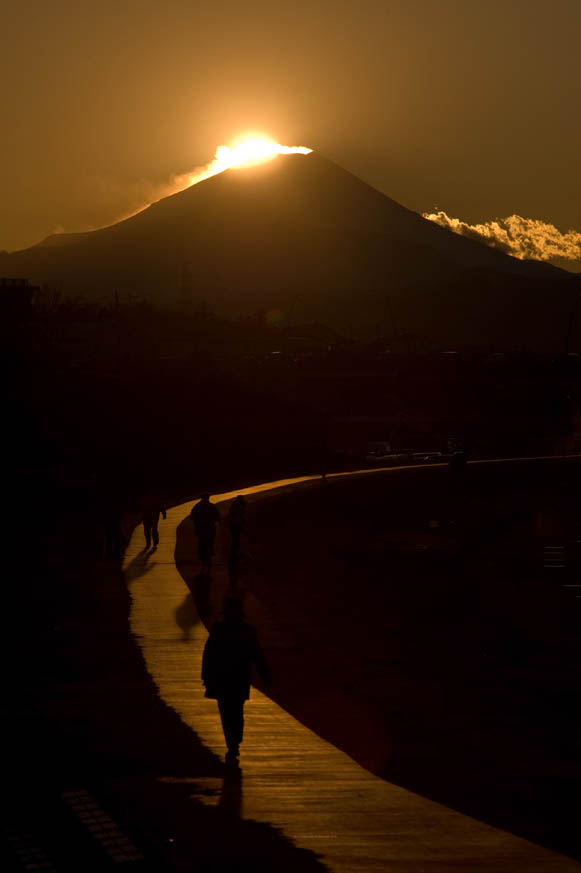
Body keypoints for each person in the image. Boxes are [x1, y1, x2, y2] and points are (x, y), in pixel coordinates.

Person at [202, 597, 271, 761]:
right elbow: (257, 654)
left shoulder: (218, 629)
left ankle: (232, 743)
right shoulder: (248, 630)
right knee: (237, 710)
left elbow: (209, 655)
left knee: (226, 712)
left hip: (222, 678)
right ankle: (235, 740)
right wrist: (265, 674)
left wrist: (206, 675)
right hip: (239, 677)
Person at [190, 493, 221, 571]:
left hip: (202, 528)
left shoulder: (198, 506)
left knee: (202, 542)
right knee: (209, 542)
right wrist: (217, 521)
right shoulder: (211, 506)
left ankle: (203, 556)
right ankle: (208, 554)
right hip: (208, 528)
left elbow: (192, 516)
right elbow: (217, 515)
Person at [228, 495, 247, 563]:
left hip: (234, 525)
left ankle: (235, 555)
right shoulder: (238, 506)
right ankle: (235, 555)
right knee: (236, 541)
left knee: (236, 541)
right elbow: (240, 517)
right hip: (236, 525)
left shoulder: (235, 505)